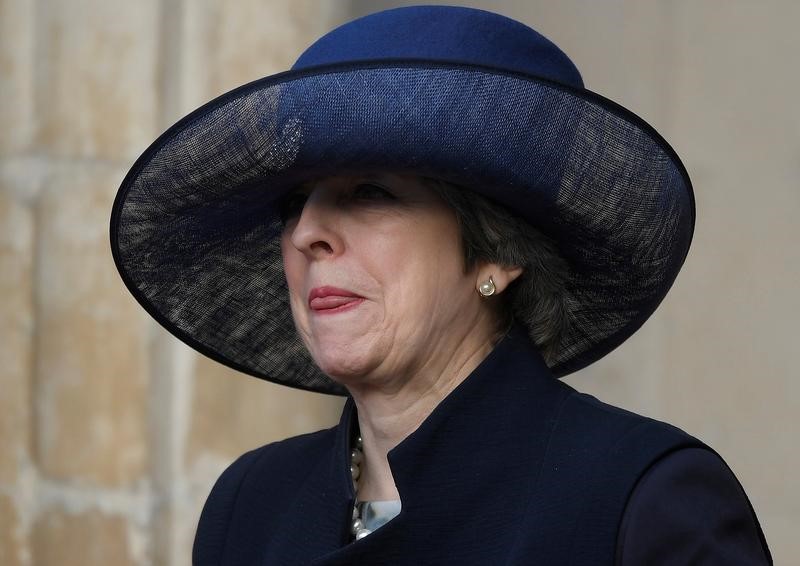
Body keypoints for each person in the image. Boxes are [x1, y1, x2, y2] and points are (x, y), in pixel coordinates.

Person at [110, 6, 772, 565]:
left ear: (498, 254)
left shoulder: (642, 501)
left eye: (369, 193)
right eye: (296, 204)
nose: (308, 230)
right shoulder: (250, 505)